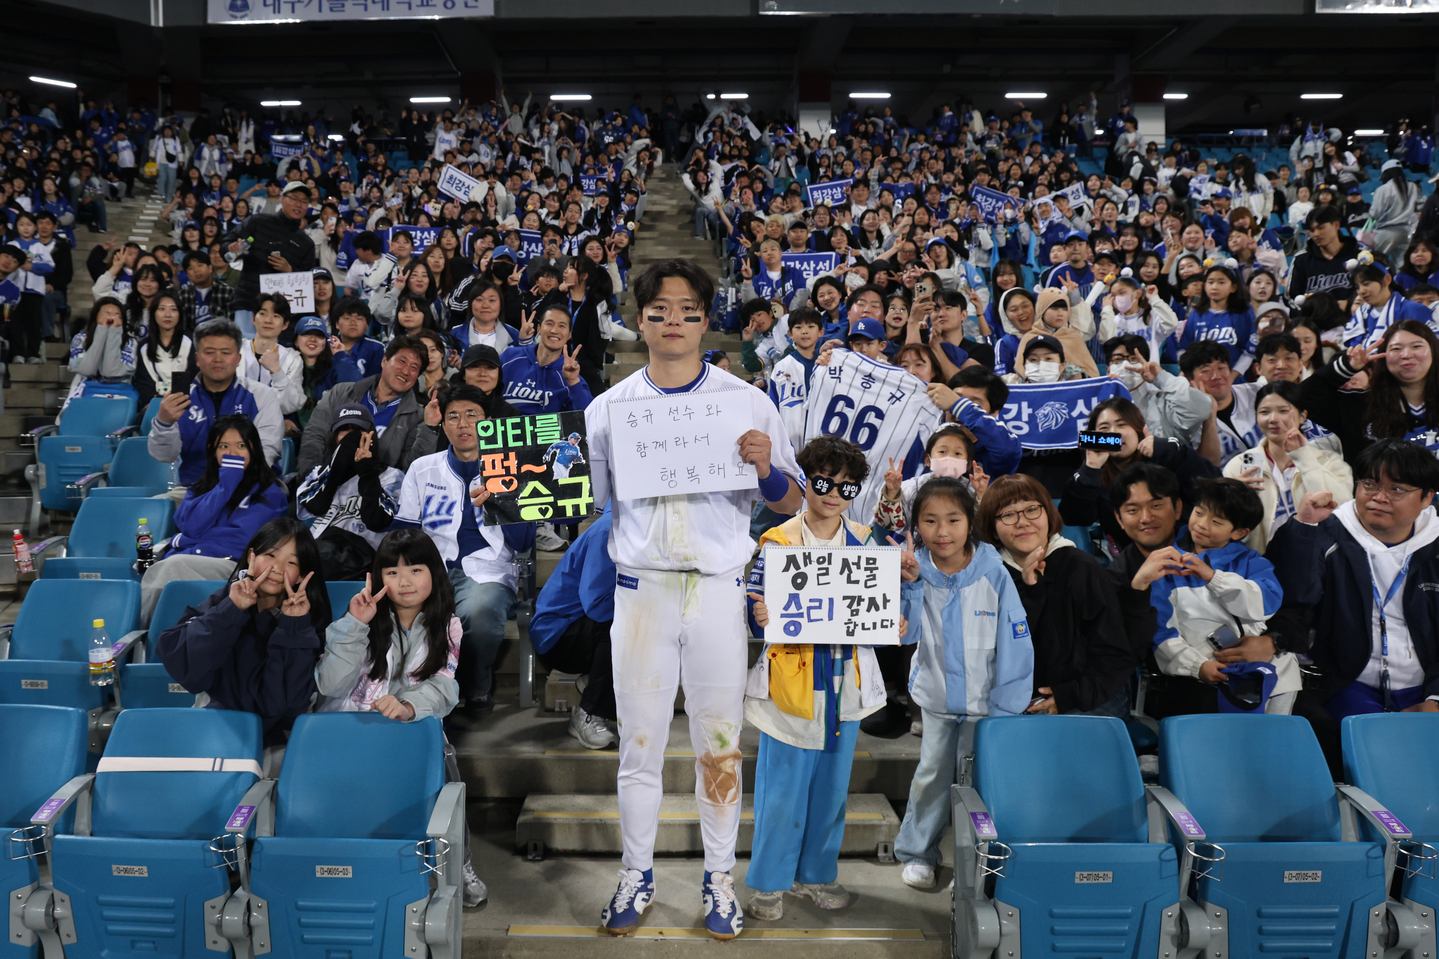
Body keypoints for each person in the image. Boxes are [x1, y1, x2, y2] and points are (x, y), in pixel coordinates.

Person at [585, 259, 804, 941]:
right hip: (642, 591)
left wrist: (766, 465)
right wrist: (502, 493)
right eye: (657, 311)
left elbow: (792, 502)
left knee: (718, 744)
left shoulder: (747, 401)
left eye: (686, 310)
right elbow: (581, 499)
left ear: (706, 320)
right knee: (639, 745)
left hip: (715, 591)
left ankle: (718, 877)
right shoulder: (606, 410)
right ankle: (636, 871)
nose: (672, 321)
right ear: (638, 320)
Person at [742, 437, 890, 921]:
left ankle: (817, 874)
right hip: (792, 683)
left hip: (845, 683)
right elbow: (753, 602)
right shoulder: (777, 541)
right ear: (806, 480)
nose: (833, 494)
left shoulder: (867, 542)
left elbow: (884, 606)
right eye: (824, 482)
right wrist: (758, 611)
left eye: (846, 487)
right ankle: (768, 883)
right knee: (781, 791)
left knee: (831, 790)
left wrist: (897, 618)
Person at [314, 528, 486, 907]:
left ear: (434, 575)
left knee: (444, 760)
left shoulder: (448, 624)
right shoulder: (358, 615)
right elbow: (329, 684)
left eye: (416, 570)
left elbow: (443, 687)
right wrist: (356, 625)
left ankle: (458, 863)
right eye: (392, 572)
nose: (404, 581)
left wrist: (407, 706)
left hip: (409, 728)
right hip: (350, 729)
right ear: (378, 578)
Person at [1268, 439, 1439, 778]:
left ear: (1426, 497)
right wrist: (1304, 529)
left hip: (1424, 688)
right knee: (1371, 762)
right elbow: (1292, 599)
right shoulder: (1329, 530)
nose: (1378, 497)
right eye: (1370, 483)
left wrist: (1436, 700)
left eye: (1396, 489)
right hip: (1348, 682)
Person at [894, 477, 1032, 890]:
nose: (942, 531)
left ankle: (977, 862)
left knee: (982, 783)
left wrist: (1008, 704)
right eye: (930, 520)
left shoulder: (994, 572)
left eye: (953, 519)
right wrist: (913, 587)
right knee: (931, 777)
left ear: (970, 523)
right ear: (917, 525)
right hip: (936, 701)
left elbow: (1015, 638)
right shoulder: (913, 569)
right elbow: (904, 634)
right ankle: (919, 853)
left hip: (987, 707)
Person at [392, 384, 534, 724]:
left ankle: (475, 683)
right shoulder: (423, 468)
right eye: (453, 416)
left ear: (488, 423)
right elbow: (403, 533)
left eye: (473, 415)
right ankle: (412, 691)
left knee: (480, 612)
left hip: (487, 569)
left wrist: (501, 500)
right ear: (443, 426)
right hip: (428, 567)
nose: (463, 423)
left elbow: (524, 540)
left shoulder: (510, 467)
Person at [153, 517, 331, 750]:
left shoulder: (307, 623)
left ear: (301, 575)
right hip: (217, 723)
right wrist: (231, 610)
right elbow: (185, 667)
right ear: (251, 557)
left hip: (280, 739)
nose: (277, 568)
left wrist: (293, 627)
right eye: (271, 555)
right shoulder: (224, 602)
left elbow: (284, 704)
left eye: (292, 562)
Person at [976, 474, 1139, 717]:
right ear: (993, 529)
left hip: (1084, 695)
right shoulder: (986, 575)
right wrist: (1031, 591)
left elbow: (1113, 655)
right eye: (1008, 514)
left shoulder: (1081, 568)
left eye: (1031, 509)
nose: (1022, 522)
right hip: (1009, 700)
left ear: (1048, 515)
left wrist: (1067, 697)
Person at [1137, 477, 1296, 718]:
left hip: (1267, 674)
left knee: (1270, 742)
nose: (1201, 524)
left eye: (1216, 521)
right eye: (1199, 512)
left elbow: (1267, 603)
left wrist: (1214, 578)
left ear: (1239, 532)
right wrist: (1197, 666)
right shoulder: (1166, 565)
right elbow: (1162, 634)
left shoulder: (1253, 563)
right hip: (1202, 678)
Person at [140, 415, 288, 622]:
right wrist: (224, 487)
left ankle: (143, 636)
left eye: (241, 445)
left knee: (171, 566)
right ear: (213, 450)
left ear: (254, 449)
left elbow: (243, 542)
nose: (232, 453)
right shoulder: (200, 488)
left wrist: (189, 542)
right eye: (224, 446)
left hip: (236, 568)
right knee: (169, 570)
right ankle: (151, 638)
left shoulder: (270, 493)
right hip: (193, 560)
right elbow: (191, 526)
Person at [1059, 397, 1221, 551]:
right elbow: (1074, 517)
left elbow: (1213, 486)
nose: (1115, 433)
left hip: (1190, 549)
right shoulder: (1093, 476)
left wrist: (1171, 451)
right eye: (1104, 428)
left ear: (1139, 428)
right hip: (1134, 560)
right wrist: (1090, 470)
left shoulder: (1167, 457)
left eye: (1121, 425)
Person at [147, 319, 283, 487]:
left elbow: (268, 451)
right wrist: (164, 423)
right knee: (157, 511)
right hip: (194, 490)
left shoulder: (262, 395)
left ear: (238, 358)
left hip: (251, 488)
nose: (218, 359)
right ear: (197, 358)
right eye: (209, 352)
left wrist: (226, 490)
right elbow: (164, 455)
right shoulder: (180, 400)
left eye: (226, 352)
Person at [1223, 380, 1354, 553]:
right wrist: (1233, 498)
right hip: (1262, 564)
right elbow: (1227, 529)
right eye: (1264, 412)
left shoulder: (1330, 462)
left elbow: (1342, 513)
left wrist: (1305, 459)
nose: (1273, 419)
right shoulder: (1240, 466)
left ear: (1303, 416)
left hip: (1318, 561)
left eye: (1283, 411)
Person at [529, 506, 619, 749]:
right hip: (558, 633)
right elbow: (596, 604)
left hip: (582, 625)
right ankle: (589, 712)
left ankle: (593, 682)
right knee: (621, 624)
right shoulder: (608, 529)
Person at [1299, 319, 1439, 467]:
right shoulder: (1357, 404)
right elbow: (1301, 397)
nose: (1406, 354)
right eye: (1396, 349)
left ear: (1434, 351)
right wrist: (1346, 368)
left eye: (1416, 346)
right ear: (1382, 357)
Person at [297, 335, 435, 478]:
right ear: (384, 360)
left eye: (414, 368)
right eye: (402, 361)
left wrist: (430, 429)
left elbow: (412, 467)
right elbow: (314, 435)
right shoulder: (340, 393)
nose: (406, 371)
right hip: (326, 483)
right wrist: (311, 478)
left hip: (377, 491)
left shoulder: (417, 417)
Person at [297, 404, 404, 579]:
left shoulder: (391, 477)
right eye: (344, 430)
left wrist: (367, 473)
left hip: (364, 556)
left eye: (357, 430)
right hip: (320, 550)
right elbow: (315, 505)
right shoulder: (318, 473)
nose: (350, 437)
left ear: (371, 436)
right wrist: (337, 466)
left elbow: (377, 521)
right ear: (334, 437)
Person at [222, 181, 318, 336]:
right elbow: (225, 247)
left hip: (283, 313)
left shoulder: (306, 243)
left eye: (304, 201)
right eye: (294, 198)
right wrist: (231, 248)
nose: (299, 204)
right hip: (249, 304)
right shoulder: (257, 222)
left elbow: (308, 280)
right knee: (245, 354)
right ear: (281, 198)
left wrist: (290, 270)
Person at [1104, 334, 1213, 452]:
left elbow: (1201, 409)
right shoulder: (1097, 410)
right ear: (1108, 370)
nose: (1125, 365)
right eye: (1118, 360)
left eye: (1133, 359)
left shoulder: (1165, 403)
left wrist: (1161, 377)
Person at [500, 304, 592, 414]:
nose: (554, 330)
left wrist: (573, 382)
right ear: (539, 328)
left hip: (547, 430)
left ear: (569, 335)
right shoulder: (509, 357)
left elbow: (588, 416)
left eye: (562, 326)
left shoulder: (571, 375)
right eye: (549, 323)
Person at [63, 294, 139, 413]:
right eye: (106, 313)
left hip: (121, 393)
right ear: (95, 317)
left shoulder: (130, 342)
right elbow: (87, 369)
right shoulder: (81, 339)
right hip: (89, 391)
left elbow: (110, 371)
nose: (111, 318)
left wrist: (114, 332)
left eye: (117, 315)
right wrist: (101, 331)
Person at [240, 293, 305, 414]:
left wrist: (277, 372)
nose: (268, 320)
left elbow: (291, 405)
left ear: (285, 325)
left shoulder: (292, 359)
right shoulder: (237, 350)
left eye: (276, 316)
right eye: (263, 314)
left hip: (271, 425)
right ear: (253, 318)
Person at [175, 248, 236, 329]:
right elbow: (182, 326)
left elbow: (231, 324)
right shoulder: (182, 295)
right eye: (191, 268)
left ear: (210, 268)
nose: (196, 270)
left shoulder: (227, 292)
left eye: (200, 265)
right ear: (188, 275)